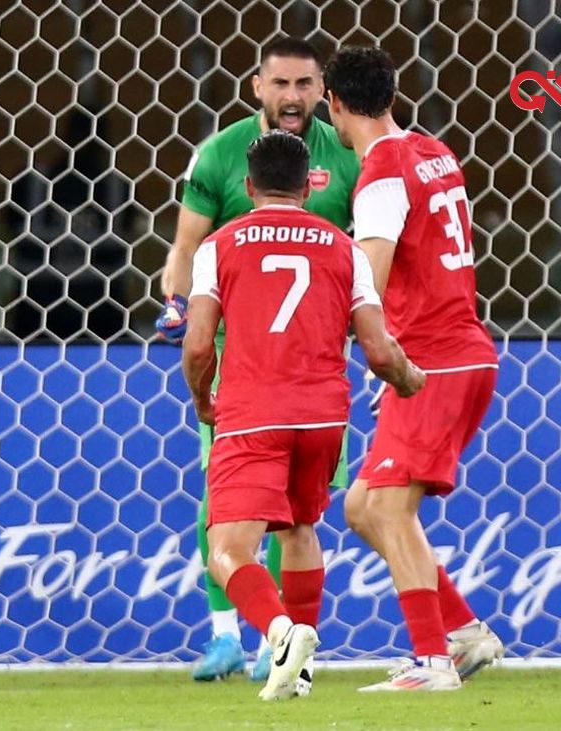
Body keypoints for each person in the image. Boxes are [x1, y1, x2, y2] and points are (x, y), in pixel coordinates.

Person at [182, 130, 424, 700]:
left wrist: (202, 399)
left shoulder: (218, 246)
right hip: (322, 418)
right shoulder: (345, 248)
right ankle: (302, 669)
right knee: (299, 529)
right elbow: (379, 349)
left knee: (227, 550)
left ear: (248, 187)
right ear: (308, 188)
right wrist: (409, 379)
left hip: (251, 414)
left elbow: (197, 345)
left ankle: (280, 633)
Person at [155, 37, 362, 681]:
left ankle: (284, 648)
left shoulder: (346, 155)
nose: (292, 97)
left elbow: (373, 243)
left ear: (323, 90)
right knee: (224, 502)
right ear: (257, 87)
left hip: (315, 355)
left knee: (295, 514)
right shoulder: (220, 153)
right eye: (281, 84)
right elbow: (185, 248)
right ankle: (227, 637)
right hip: (238, 358)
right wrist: (177, 301)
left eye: (304, 84)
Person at [323, 46, 505, 692]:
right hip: (463, 352)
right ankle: (465, 632)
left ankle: (433, 660)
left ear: (334, 105)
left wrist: (362, 352)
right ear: (393, 96)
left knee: (389, 508)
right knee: (363, 506)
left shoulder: (381, 172)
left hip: (432, 361)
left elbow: (367, 285)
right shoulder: (434, 151)